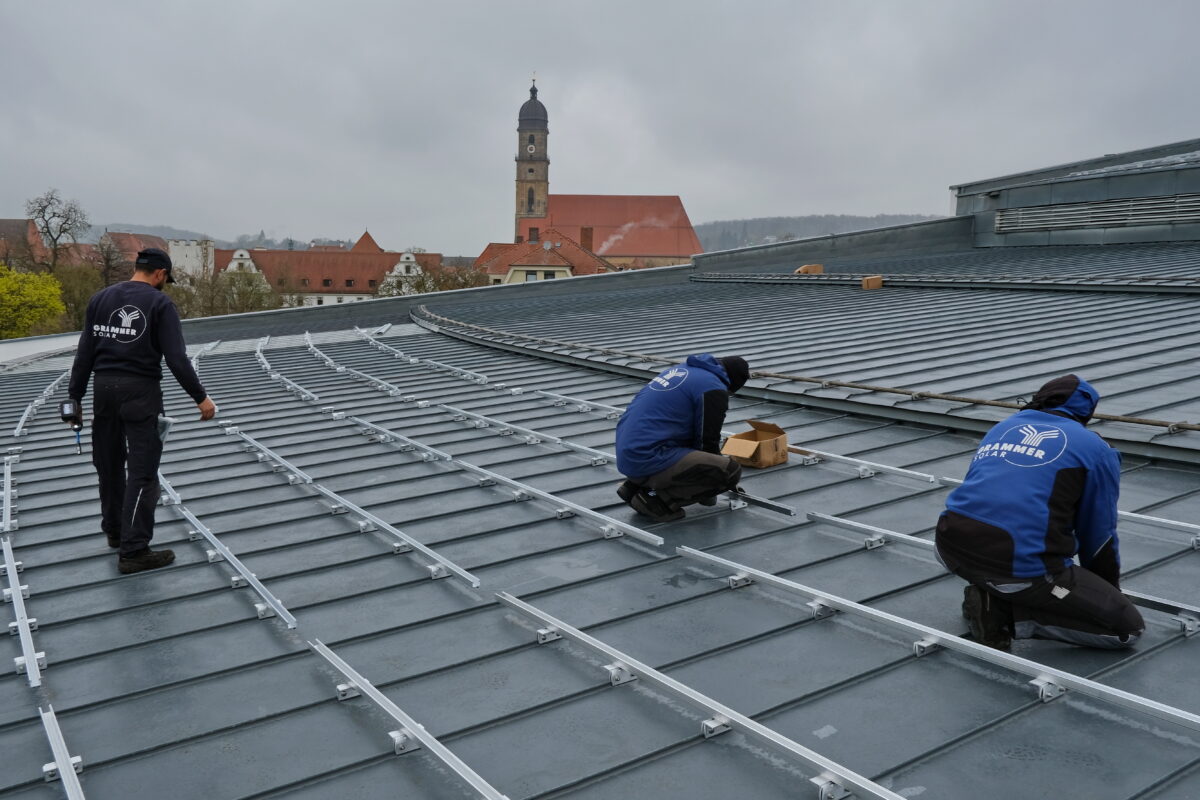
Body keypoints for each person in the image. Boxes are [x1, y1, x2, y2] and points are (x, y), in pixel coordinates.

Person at [935, 374, 1143, 650]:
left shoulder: (1003, 427)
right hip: (1018, 570)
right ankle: (1004, 615)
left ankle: (990, 590)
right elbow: (1098, 534)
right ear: (1088, 412)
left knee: (1002, 561)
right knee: (1126, 629)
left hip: (949, 546)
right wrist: (1104, 592)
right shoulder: (1096, 450)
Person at [66, 248, 217, 574]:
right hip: (140, 392)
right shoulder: (160, 304)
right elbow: (176, 358)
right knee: (143, 472)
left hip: (103, 389)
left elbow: (84, 355)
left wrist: (74, 399)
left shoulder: (100, 299)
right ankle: (134, 552)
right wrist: (201, 398)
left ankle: (116, 532)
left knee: (108, 464)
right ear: (160, 274)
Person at [614, 354, 749, 522]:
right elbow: (707, 442)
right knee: (729, 471)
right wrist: (714, 485)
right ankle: (654, 500)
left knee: (684, 444)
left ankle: (633, 487)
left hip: (629, 454)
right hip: (648, 457)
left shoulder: (683, 370)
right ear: (732, 384)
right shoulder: (713, 387)